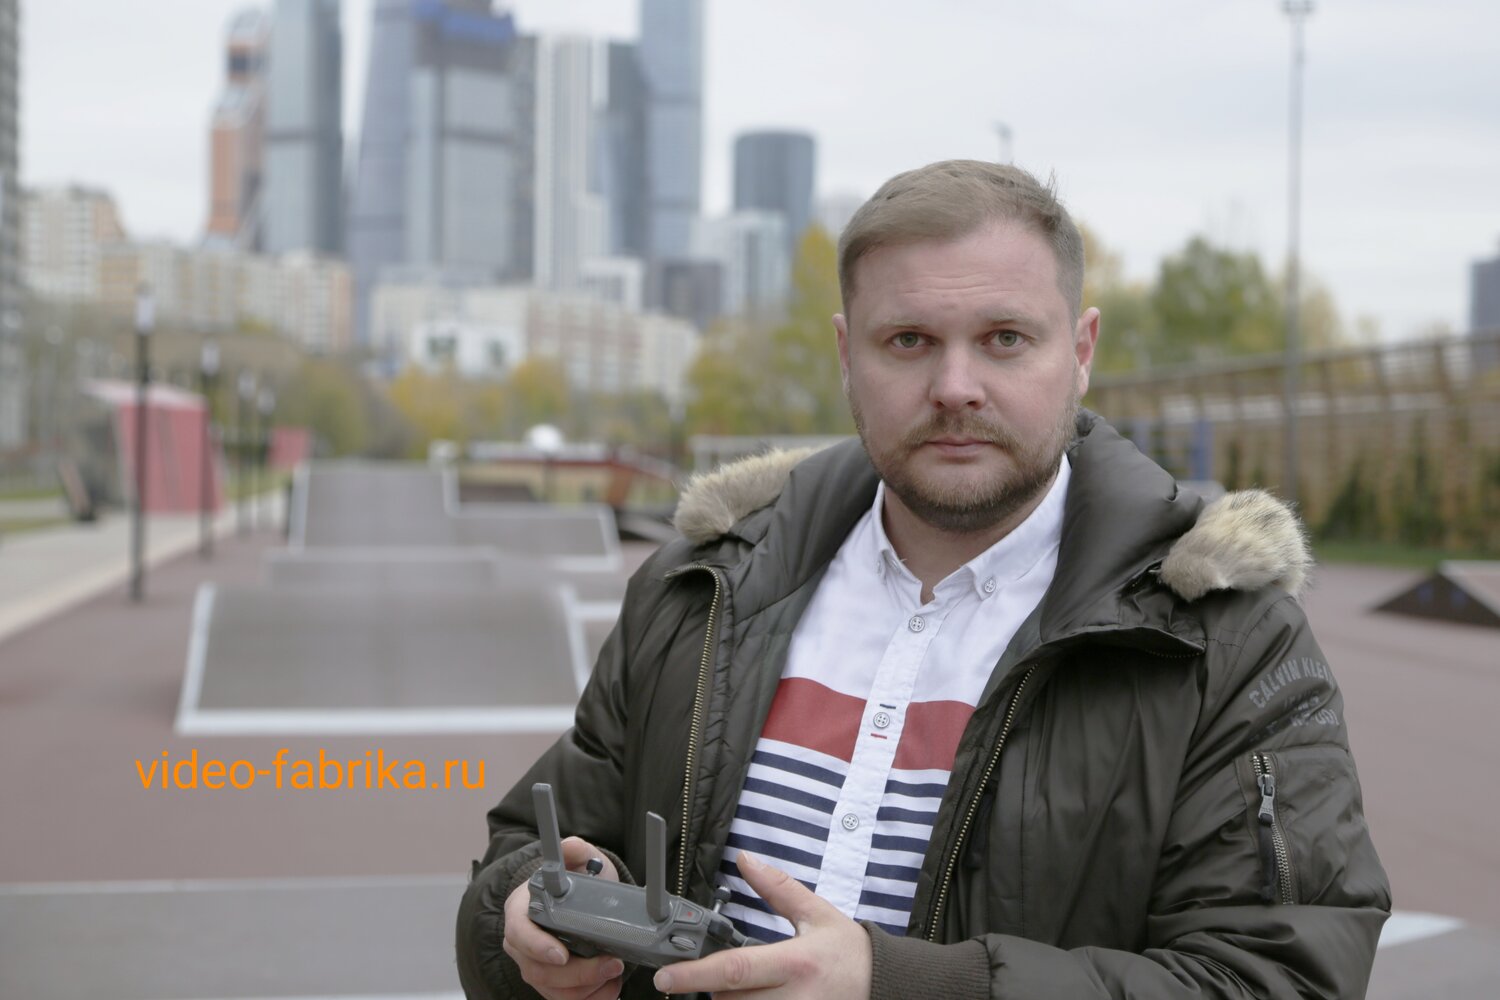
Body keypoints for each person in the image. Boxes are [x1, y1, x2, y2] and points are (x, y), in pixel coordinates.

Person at [456, 160, 1390, 1000]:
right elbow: (524, 859)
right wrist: (526, 923)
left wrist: (903, 987)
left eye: (1005, 338)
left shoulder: (1222, 642)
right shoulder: (701, 588)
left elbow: (1280, 976)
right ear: (846, 356)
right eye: (908, 340)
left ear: (1081, 351)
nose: (954, 386)